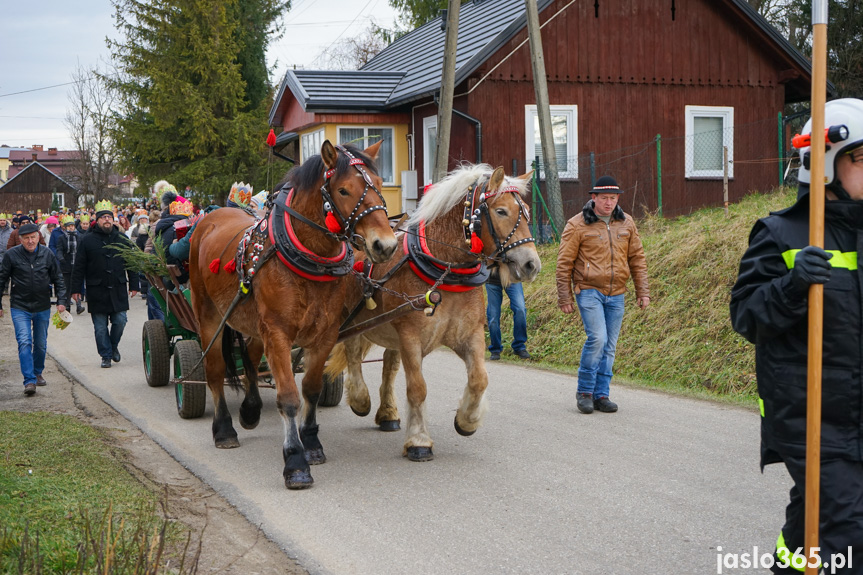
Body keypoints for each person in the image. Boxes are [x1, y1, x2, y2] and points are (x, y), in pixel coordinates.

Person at [730, 98, 863, 572]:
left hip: (857, 413)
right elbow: (746, 315)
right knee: (851, 532)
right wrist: (792, 284)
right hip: (811, 418)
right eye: (862, 158)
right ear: (824, 163)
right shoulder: (781, 233)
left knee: (814, 520)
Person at [556, 176, 650, 414]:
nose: (609, 203)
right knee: (597, 338)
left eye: (613, 198)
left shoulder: (626, 223)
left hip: (617, 292)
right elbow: (564, 263)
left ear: (618, 198)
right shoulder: (577, 225)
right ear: (593, 198)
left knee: (609, 345)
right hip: (588, 290)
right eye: (604, 198)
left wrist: (643, 291)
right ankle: (585, 392)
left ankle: (601, 395)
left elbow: (637, 258)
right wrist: (565, 297)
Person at [70, 200, 140, 369]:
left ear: (113, 220)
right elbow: (79, 267)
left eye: (109, 217)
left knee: (121, 321)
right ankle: (106, 355)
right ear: (98, 220)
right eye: (104, 218)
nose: (107, 220)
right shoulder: (87, 241)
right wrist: (75, 289)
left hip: (117, 287)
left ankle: (113, 346)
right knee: (100, 328)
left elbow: (131, 263)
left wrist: (135, 284)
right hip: (96, 289)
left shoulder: (122, 239)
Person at [0, 223, 68, 395]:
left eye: (33, 237)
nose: (30, 241)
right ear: (20, 240)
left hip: (42, 305)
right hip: (19, 306)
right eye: (26, 238)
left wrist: (61, 301)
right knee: (24, 341)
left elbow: (58, 278)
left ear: (39, 237)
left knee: (40, 344)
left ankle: (37, 372)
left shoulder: (47, 254)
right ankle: (29, 380)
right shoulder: (11, 255)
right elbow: (1, 279)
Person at [485, 269, 530, 360]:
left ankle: (519, 347)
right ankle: (495, 349)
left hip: (512, 277)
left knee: (520, 309)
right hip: (492, 279)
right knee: (493, 317)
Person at [56, 214, 86, 315]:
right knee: (67, 286)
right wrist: (61, 258)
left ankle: (78, 305)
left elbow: (82, 250)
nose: (71, 228)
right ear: (65, 227)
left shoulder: (80, 237)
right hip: (66, 265)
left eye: (72, 226)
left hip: (77, 265)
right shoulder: (62, 238)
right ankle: (67, 305)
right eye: (69, 226)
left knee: (77, 285)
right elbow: (59, 249)